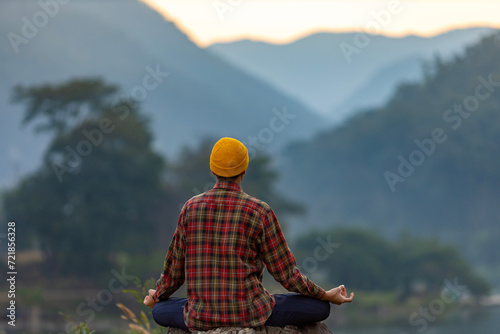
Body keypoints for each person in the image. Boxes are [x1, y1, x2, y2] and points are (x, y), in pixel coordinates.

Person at [144, 137, 354, 331]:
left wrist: (158, 295)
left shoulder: (190, 208)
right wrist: (325, 295)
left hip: (200, 316)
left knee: (160, 311)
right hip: (251, 313)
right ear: (244, 170)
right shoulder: (259, 211)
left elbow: (174, 272)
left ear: (212, 170)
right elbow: (287, 275)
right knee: (320, 308)